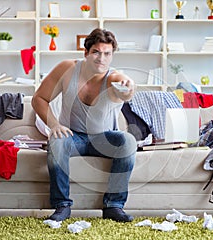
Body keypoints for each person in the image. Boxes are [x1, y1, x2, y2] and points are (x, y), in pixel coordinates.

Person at [31, 28, 137, 222]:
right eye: (96, 52)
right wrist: (54, 124)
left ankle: (114, 205)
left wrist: (128, 88)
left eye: (107, 54)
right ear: (86, 53)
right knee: (57, 140)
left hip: (104, 137)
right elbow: (39, 98)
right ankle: (62, 205)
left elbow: (124, 90)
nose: (101, 59)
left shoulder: (113, 78)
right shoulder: (67, 69)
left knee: (128, 142)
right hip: (73, 136)